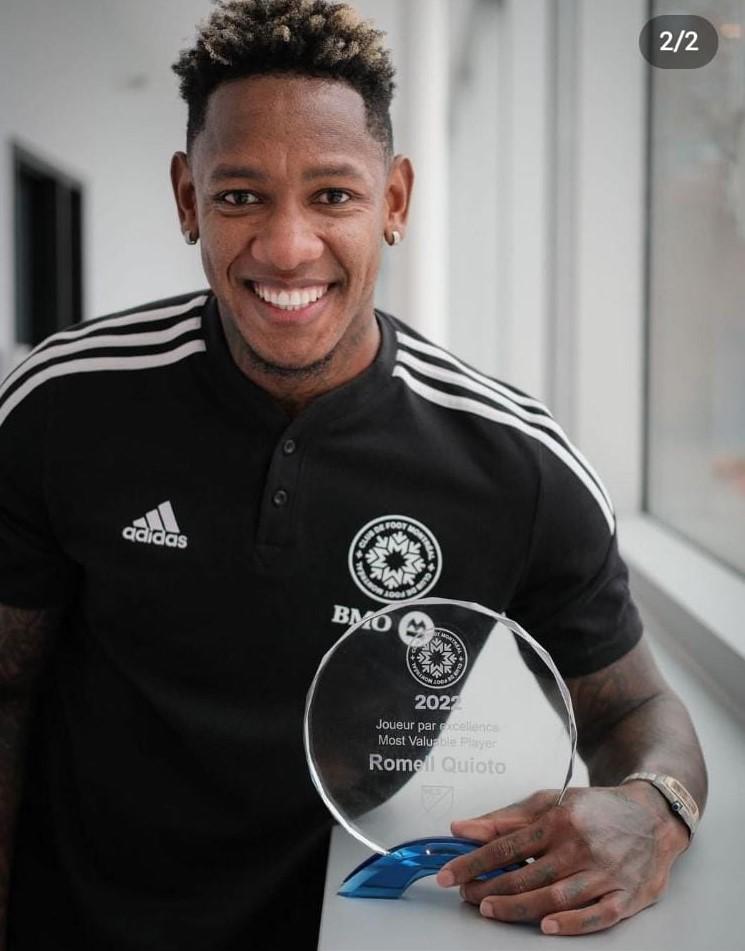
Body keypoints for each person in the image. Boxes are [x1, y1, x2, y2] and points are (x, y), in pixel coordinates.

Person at [0, 1, 707, 948]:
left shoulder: (518, 465)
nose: (286, 247)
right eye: (240, 196)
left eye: (332, 195)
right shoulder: (63, 406)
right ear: (185, 198)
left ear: (396, 201)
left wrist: (654, 810)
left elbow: (637, 709)